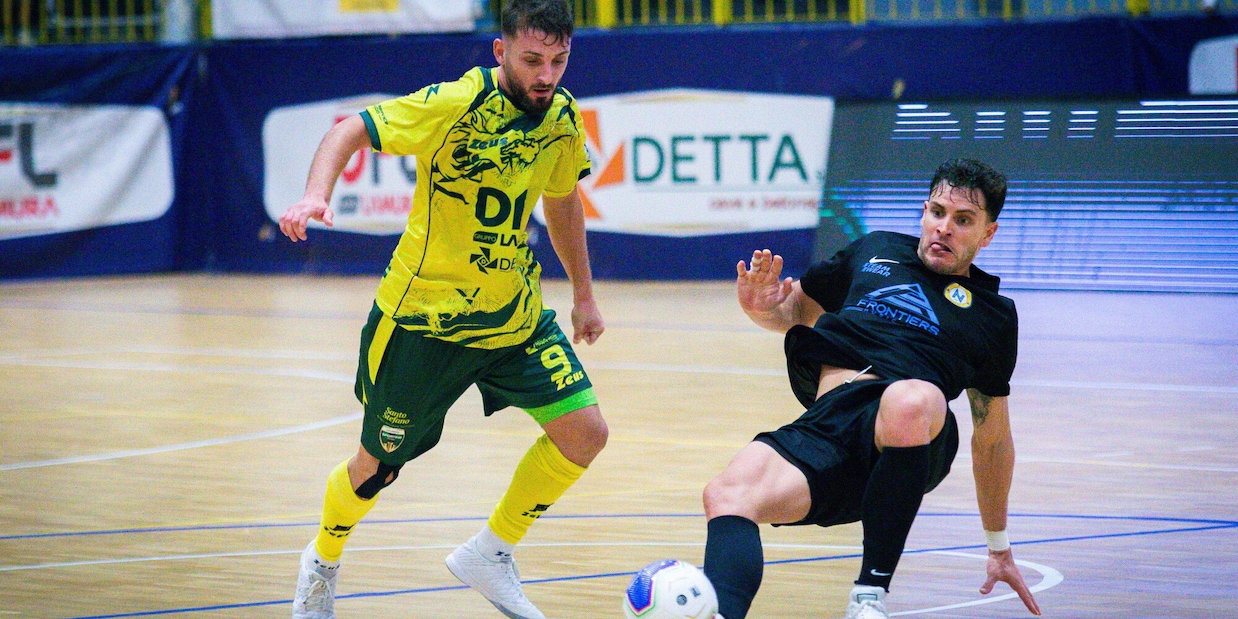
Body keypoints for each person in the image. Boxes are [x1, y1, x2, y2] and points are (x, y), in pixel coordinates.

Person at [278, 2, 607, 618]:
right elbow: (349, 128)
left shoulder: (561, 119)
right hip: (425, 324)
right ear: (500, 52)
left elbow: (563, 203)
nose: (546, 75)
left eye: (559, 61)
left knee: (585, 433)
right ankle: (321, 563)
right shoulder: (453, 105)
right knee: (376, 469)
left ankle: (490, 553)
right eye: (532, 60)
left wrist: (583, 294)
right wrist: (314, 195)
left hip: (513, 316)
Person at [700, 158, 1043, 619]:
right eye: (938, 212)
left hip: (914, 433)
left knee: (908, 400)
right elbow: (793, 311)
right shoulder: (876, 250)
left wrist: (998, 546)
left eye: (963, 220)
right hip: (830, 426)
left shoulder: (993, 315)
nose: (944, 228)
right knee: (727, 493)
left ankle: (869, 596)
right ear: (924, 211)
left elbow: (993, 438)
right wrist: (759, 307)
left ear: (987, 233)